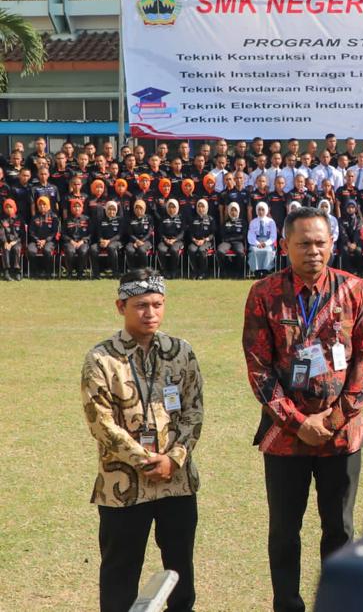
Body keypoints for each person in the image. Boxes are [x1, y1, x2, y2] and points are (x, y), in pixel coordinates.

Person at [242, 206, 363, 612]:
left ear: (332, 243)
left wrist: (337, 417)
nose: (313, 251)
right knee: (284, 531)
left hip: (343, 436)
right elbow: (258, 368)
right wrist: (299, 422)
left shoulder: (355, 290)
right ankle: (287, 604)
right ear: (285, 246)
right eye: (303, 243)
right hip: (285, 438)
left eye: (320, 242)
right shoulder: (264, 294)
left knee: (340, 529)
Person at [81, 269, 204, 612]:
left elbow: (194, 411)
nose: (150, 313)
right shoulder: (101, 359)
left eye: (157, 304)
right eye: (140, 305)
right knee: (120, 576)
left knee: (180, 575)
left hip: (177, 484)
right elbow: (101, 423)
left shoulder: (182, 352)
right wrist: (146, 460)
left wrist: (173, 458)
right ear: (121, 306)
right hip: (122, 487)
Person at [27, 195, 59, 277]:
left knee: (47, 250)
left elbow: (54, 232)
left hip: (50, 241)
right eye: (40, 205)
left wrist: (45, 241)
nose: (42, 206)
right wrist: (37, 240)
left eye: (44, 204)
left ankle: (49, 272)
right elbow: (31, 232)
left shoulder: (54, 217)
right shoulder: (34, 217)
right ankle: (35, 272)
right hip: (35, 241)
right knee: (31, 250)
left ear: (48, 205)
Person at [91, 201, 124, 279]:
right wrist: (101, 240)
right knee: (93, 248)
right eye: (109, 209)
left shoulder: (120, 220)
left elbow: (120, 235)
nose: (111, 211)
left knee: (111, 247)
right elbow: (99, 233)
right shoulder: (101, 220)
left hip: (116, 242)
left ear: (116, 210)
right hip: (103, 242)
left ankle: (115, 273)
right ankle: (96, 274)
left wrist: (109, 241)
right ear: (106, 210)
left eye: (113, 210)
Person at [187, 199, 216, 279]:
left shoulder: (211, 219)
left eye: (202, 206)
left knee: (201, 250)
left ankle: (203, 272)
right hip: (195, 241)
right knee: (191, 249)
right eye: (199, 206)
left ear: (206, 207)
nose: (200, 209)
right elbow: (190, 233)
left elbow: (213, 234)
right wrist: (194, 239)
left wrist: (205, 240)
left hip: (207, 241)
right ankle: (195, 271)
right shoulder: (193, 219)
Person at [248, 201, 278, 278]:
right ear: (256, 210)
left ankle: (265, 271)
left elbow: (273, 236)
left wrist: (265, 243)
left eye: (263, 210)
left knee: (268, 251)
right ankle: (256, 271)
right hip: (256, 242)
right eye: (259, 209)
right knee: (254, 251)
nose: (261, 212)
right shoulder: (253, 222)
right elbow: (251, 235)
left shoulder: (271, 222)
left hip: (267, 242)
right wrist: (257, 243)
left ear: (266, 210)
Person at [63, 198, 92, 279]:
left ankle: (80, 273)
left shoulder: (87, 219)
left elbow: (90, 233)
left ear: (82, 208)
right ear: (71, 208)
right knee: (70, 251)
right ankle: (70, 272)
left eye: (79, 206)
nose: (77, 208)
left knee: (83, 251)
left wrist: (82, 241)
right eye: (74, 206)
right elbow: (63, 234)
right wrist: (71, 241)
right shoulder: (67, 220)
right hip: (70, 242)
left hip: (83, 242)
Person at [157, 199, 186, 279]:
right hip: (165, 240)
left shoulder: (181, 218)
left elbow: (182, 233)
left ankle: (174, 271)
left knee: (174, 250)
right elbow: (160, 232)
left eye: (173, 207)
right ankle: (164, 271)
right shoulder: (163, 218)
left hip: (177, 241)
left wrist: (175, 240)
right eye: (169, 207)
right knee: (161, 249)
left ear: (177, 207)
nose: (171, 209)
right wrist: (165, 239)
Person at [218, 202, 246, 278]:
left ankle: (239, 272)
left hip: (238, 242)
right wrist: (228, 239)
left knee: (240, 253)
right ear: (229, 211)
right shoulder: (226, 222)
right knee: (220, 251)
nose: (233, 212)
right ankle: (224, 271)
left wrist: (232, 238)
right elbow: (222, 234)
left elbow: (243, 235)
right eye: (232, 210)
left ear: (238, 211)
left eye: (235, 210)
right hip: (227, 242)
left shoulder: (242, 222)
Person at [125, 199, 154, 271]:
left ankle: (144, 270)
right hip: (133, 241)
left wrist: (141, 241)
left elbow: (149, 233)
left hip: (146, 241)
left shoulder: (149, 218)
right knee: (129, 250)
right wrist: (137, 241)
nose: (138, 210)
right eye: (136, 208)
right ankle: (132, 270)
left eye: (140, 208)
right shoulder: (130, 219)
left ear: (144, 208)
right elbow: (130, 233)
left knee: (141, 250)